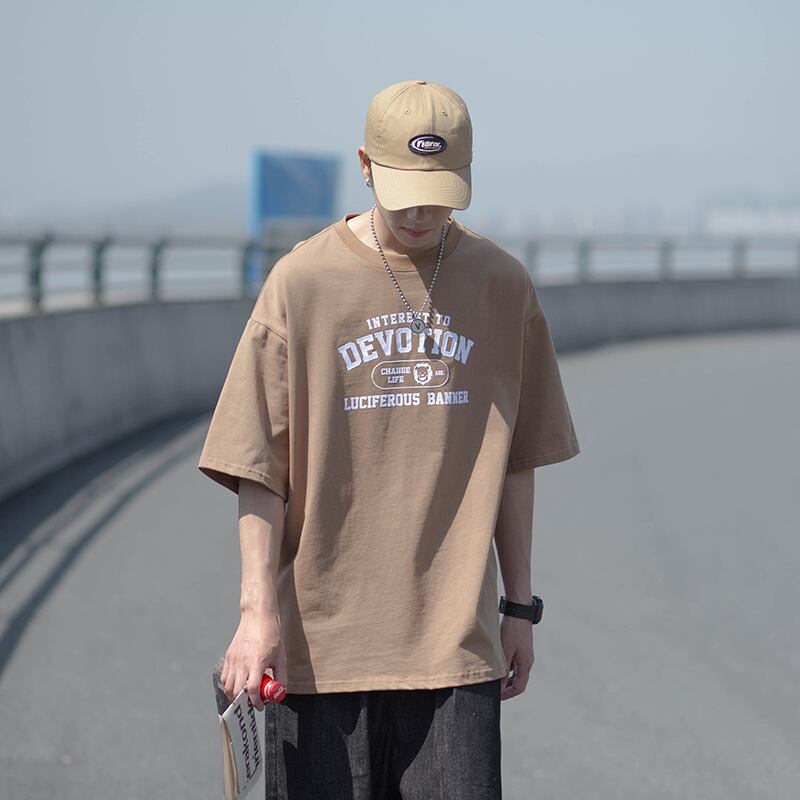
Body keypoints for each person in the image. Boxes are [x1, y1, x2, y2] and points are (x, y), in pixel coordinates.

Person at [197, 79, 580, 799]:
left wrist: (519, 607)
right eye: (405, 189)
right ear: (366, 166)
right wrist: (256, 616)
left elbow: (515, 459)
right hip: (316, 652)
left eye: (439, 191)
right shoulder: (303, 283)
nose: (421, 211)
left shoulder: (502, 285)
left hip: (454, 650)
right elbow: (258, 465)